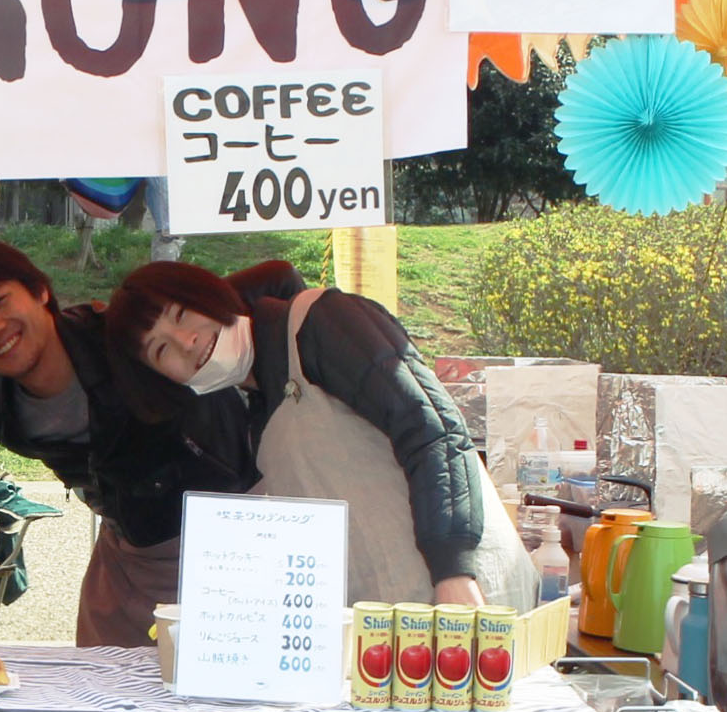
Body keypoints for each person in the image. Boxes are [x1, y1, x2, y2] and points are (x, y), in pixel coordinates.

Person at [0, 237, 302, 647]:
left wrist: (286, 399)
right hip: (134, 555)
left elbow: (277, 279)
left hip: (239, 527)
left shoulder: (118, 332)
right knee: (100, 678)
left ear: (39, 291)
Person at [103, 261, 533, 609]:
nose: (186, 342)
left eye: (181, 315)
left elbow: (433, 429)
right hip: (392, 632)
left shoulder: (321, 321)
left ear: (209, 293)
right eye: (161, 349)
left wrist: (454, 569)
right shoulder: (256, 413)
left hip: (468, 600)